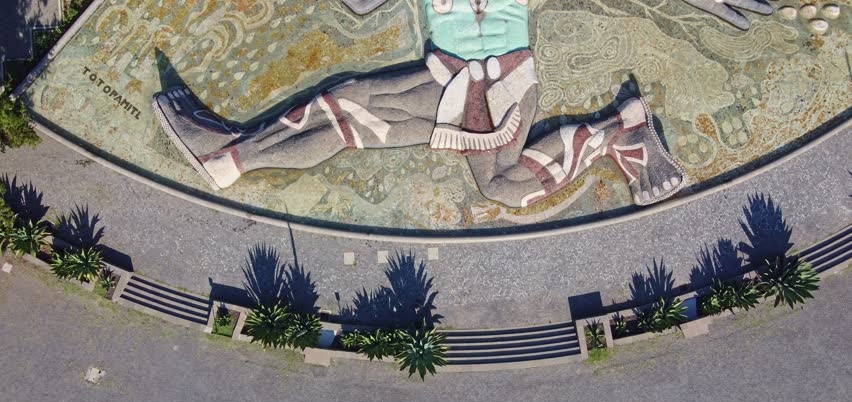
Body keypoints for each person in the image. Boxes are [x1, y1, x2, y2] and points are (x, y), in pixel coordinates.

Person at [153, 0, 772, 208]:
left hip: (482, 86)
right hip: (480, 86)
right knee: (349, 118)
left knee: (346, 110)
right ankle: (618, 135)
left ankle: (229, 158)